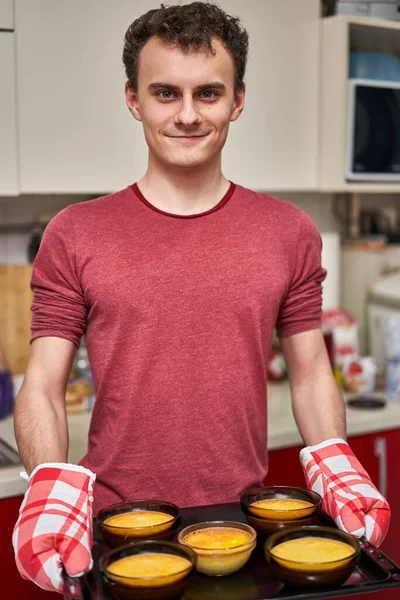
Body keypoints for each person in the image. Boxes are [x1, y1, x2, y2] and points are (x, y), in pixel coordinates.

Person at [12, 2, 390, 594]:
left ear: (238, 99)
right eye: (165, 93)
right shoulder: (75, 233)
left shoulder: (288, 231)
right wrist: (50, 494)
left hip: (243, 525)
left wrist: (339, 468)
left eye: (208, 94)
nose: (187, 115)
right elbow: (42, 386)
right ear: (133, 99)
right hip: (118, 528)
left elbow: (312, 372)